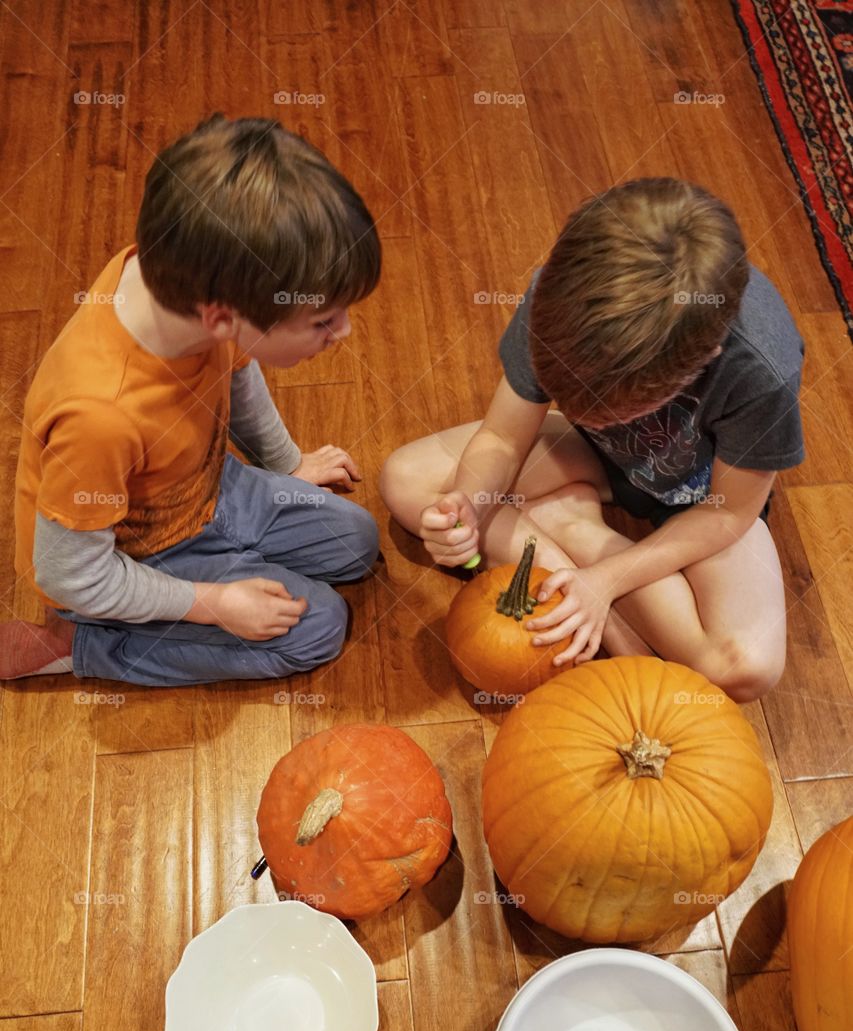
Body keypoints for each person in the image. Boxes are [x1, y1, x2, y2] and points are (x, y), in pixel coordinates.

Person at [380, 177, 805, 703]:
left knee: (746, 667)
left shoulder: (761, 368)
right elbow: (503, 439)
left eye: (612, 408)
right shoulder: (557, 302)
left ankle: (567, 527)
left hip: (704, 498)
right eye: (566, 391)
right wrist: (468, 503)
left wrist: (604, 579)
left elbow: (728, 515)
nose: (585, 412)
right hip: (588, 457)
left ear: (705, 358)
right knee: (405, 479)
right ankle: (596, 600)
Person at [2, 114, 380, 686]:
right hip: (132, 559)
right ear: (223, 316)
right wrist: (214, 603)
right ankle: (78, 645)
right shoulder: (99, 416)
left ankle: (230, 566)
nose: (344, 331)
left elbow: (238, 375)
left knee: (356, 544)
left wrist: (286, 464)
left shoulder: (188, 295)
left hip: (206, 489)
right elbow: (69, 577)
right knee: (319, 626)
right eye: (323, 321)